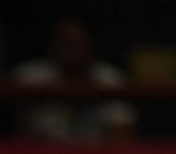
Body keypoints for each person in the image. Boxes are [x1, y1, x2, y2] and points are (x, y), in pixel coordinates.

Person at [11, 14, 138, 142]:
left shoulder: (110, 78)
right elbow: (20, 133)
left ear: (91, 45)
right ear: (50, 45)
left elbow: (122, 136)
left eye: (79, 42)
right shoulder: (30, 77)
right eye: (65, 42)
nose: (72, 49)